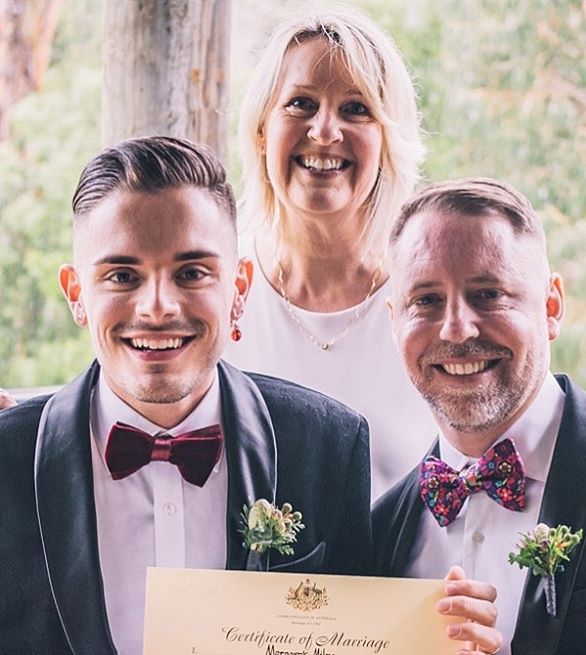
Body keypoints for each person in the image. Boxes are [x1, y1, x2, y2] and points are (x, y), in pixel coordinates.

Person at [0, 138, 501, 655]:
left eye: (191, 272)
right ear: (77, 293)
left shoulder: (329, 444)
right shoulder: (5, 456)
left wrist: (445, 638)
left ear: (239, 287)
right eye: (122, 276)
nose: (157, 307)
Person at [372, 177, 586, 654]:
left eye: (488, 294)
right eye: (426, 301)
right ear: (395, 321)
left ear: (551, 306)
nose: (456, 330)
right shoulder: (375, 533)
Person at [224, 10, 438, 500]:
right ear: (261, 130)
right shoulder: (211, 288)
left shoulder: (433, 300)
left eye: (356, 109)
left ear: (388, 139)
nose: (324, 131)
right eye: (300, 103)